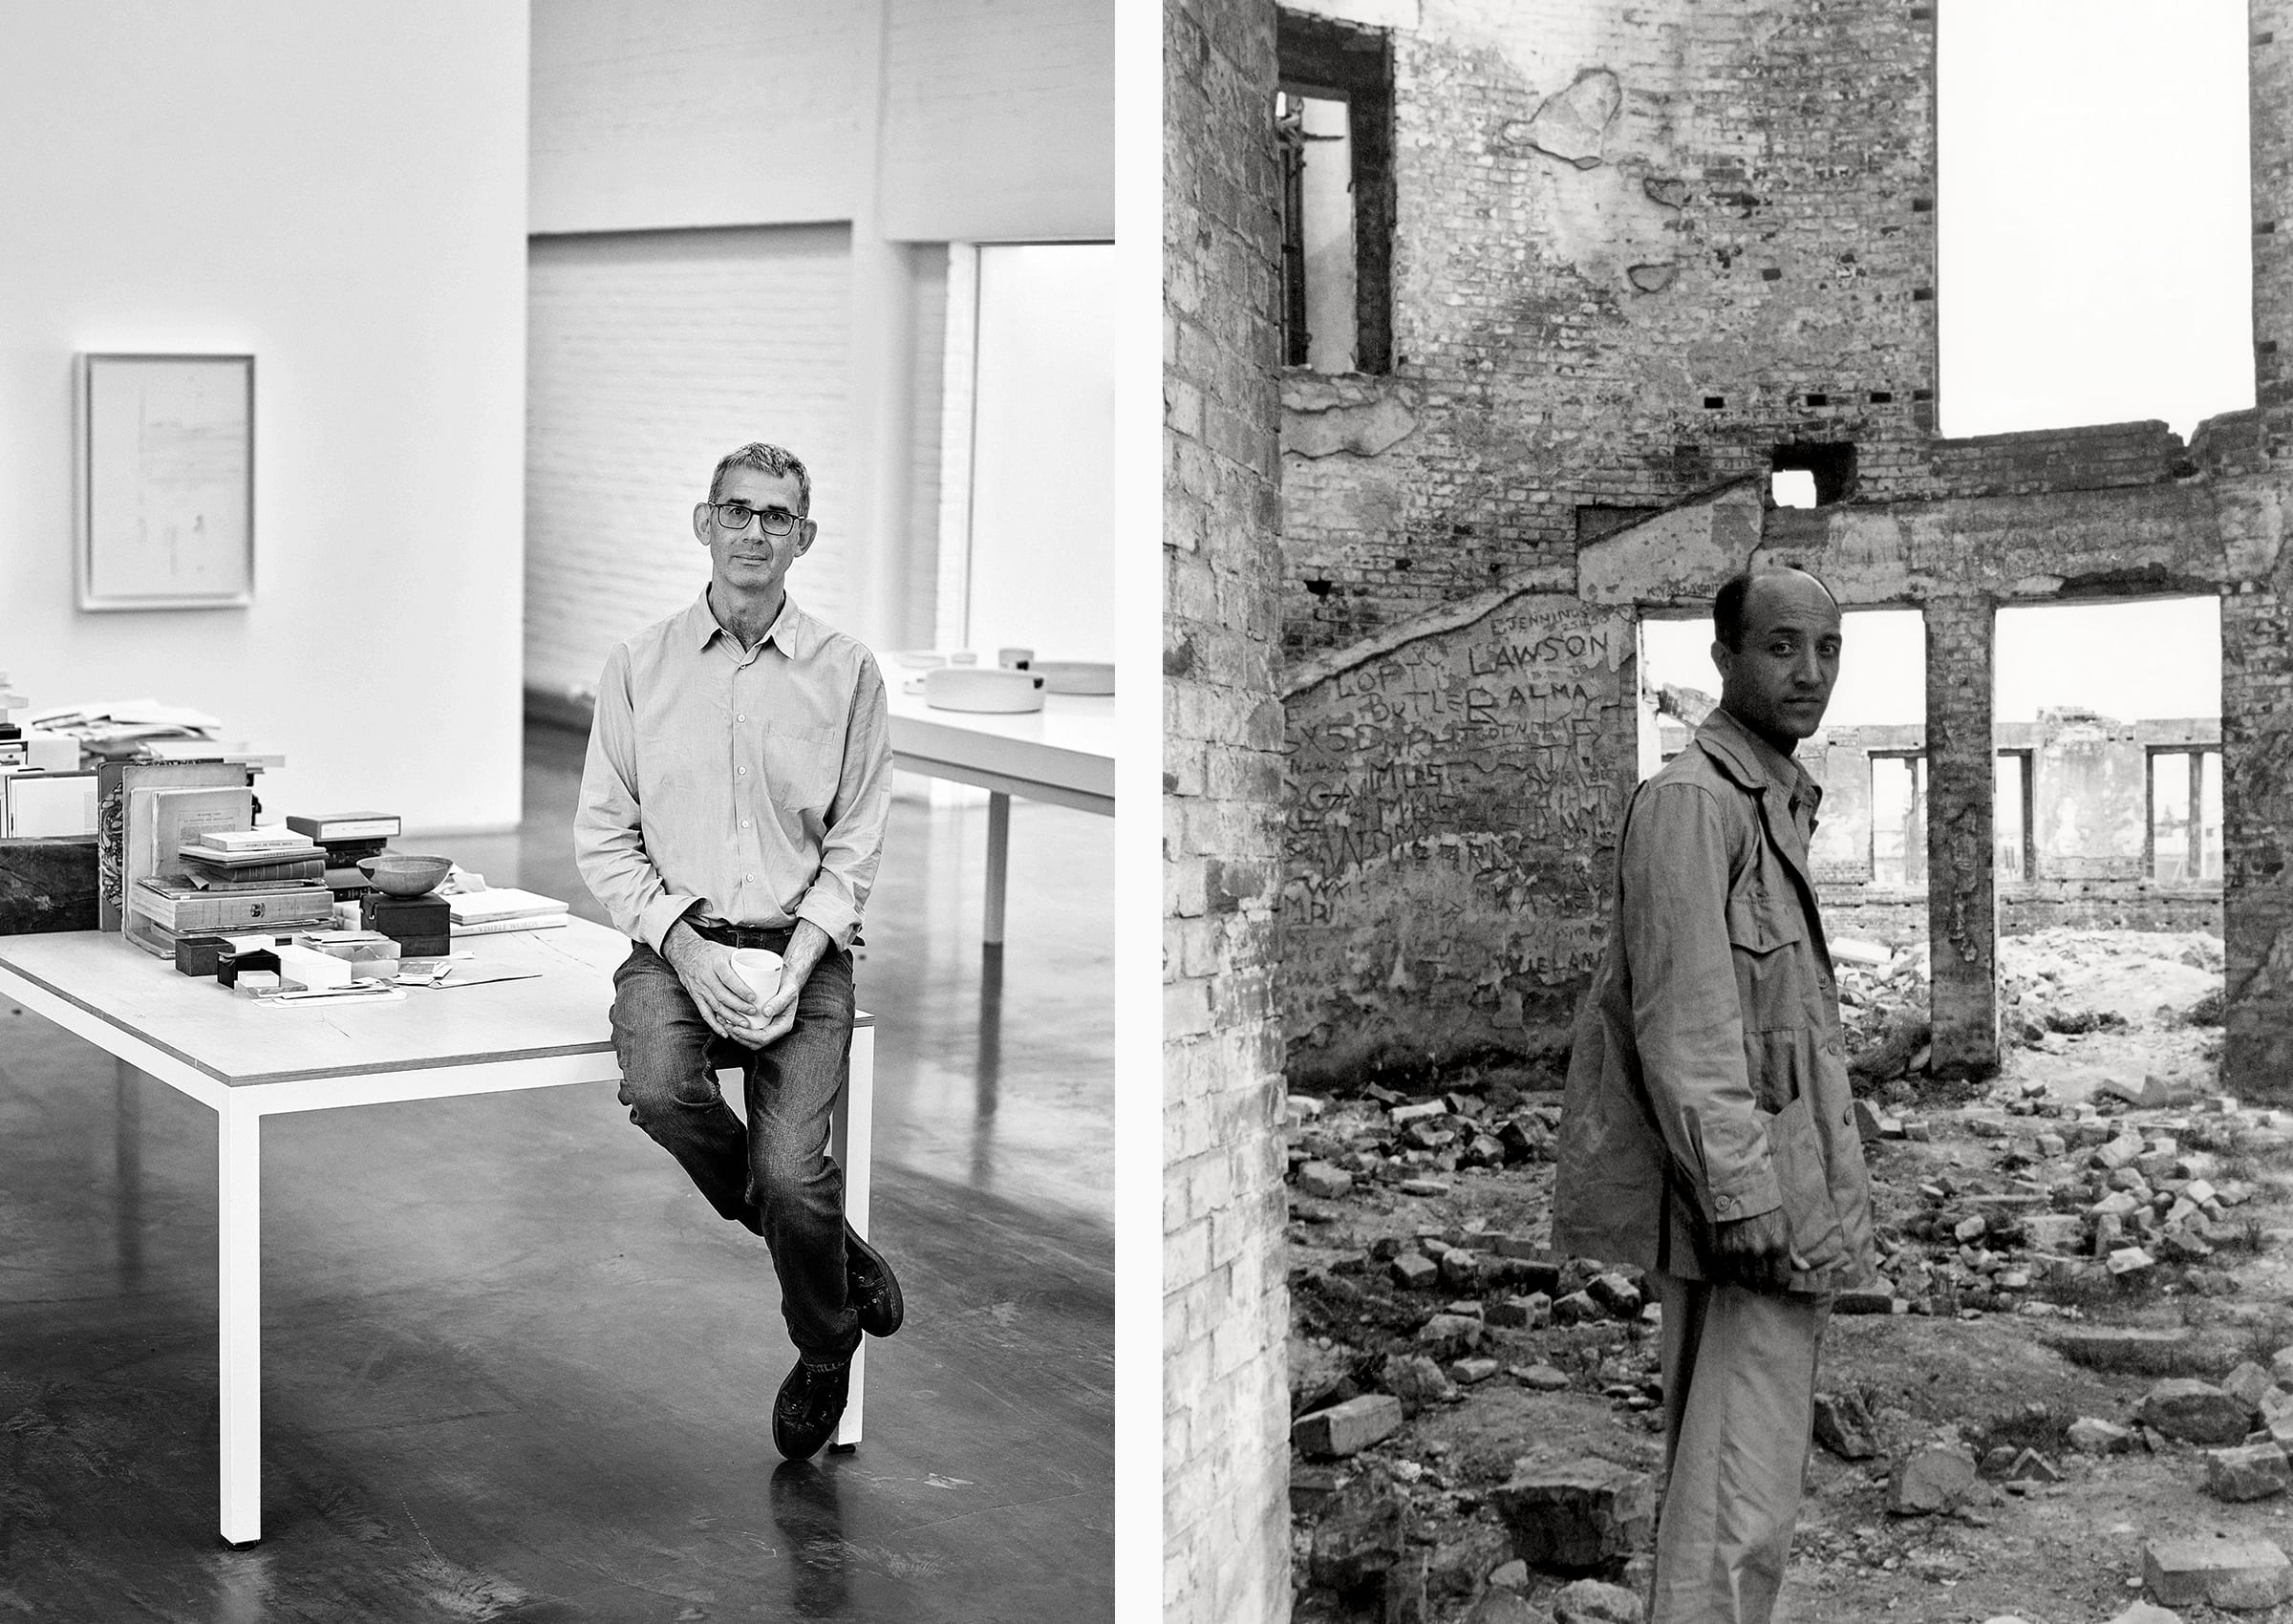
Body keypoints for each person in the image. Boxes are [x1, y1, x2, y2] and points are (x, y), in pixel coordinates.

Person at [1554, 566, 1876, 1624]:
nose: (1810, 671)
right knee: (1729, 1511)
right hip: (1746, 1209)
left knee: (1748, 1495)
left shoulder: (1770, 797)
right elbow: (1685, 1028)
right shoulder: (1694, 804)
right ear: (1724, 658)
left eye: (1827, 648)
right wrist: (1741, 1198)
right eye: (1782, 646)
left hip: (1781, 1196)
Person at [574, 440, 901, 1462]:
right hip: (677, 941)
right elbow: (604, 835)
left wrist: (802, 960)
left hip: (806, 945)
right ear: (703, 523)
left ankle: (820, 1346)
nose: (755, 531)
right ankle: (836, 1271)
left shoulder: (848, 673)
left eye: (777, 517)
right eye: (738, 511)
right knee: (663, 1086)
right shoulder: (639, 664)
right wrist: (682, 940)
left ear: (803, 538)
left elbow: (855, 844)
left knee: (792, 1169)